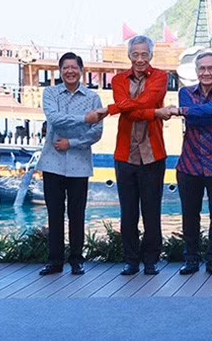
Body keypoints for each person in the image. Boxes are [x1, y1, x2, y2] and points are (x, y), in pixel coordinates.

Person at [87, 35, 170, 276]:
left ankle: (151, 259)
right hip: (125, 154)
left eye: (145, 54)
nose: (140, 59)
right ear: (129, 56)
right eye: (136, 54)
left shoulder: (161, 77)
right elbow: (134, 110)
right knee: (129, 211)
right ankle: (131, 259)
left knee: (152, 210)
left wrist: (109, 110)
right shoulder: (118, 79)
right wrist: (154, 112)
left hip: (153, 154)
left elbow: (144, 101)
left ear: (151, 55)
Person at [36, 52, 103, 276]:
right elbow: (54, 119)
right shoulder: (50, 93)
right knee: (54, 214)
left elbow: (97, 132)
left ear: (81, 70)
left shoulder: (93, 98)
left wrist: (71, 142)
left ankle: (77, 260)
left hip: (79, 164)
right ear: (60, 70)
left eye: (74, 67)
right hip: (52, 163)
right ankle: (55, 261)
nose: (70, 71)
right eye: (65, 68)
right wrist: (85, 119)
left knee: (77, 214)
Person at [170, 51, 212, 275]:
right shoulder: (185, 92)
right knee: (190, 214)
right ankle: (191, 259)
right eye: (202, 69)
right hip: (190, 163)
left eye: (211, 68)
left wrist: (182, 111)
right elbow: (197, 118)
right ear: (196, 72)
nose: (206, 73)